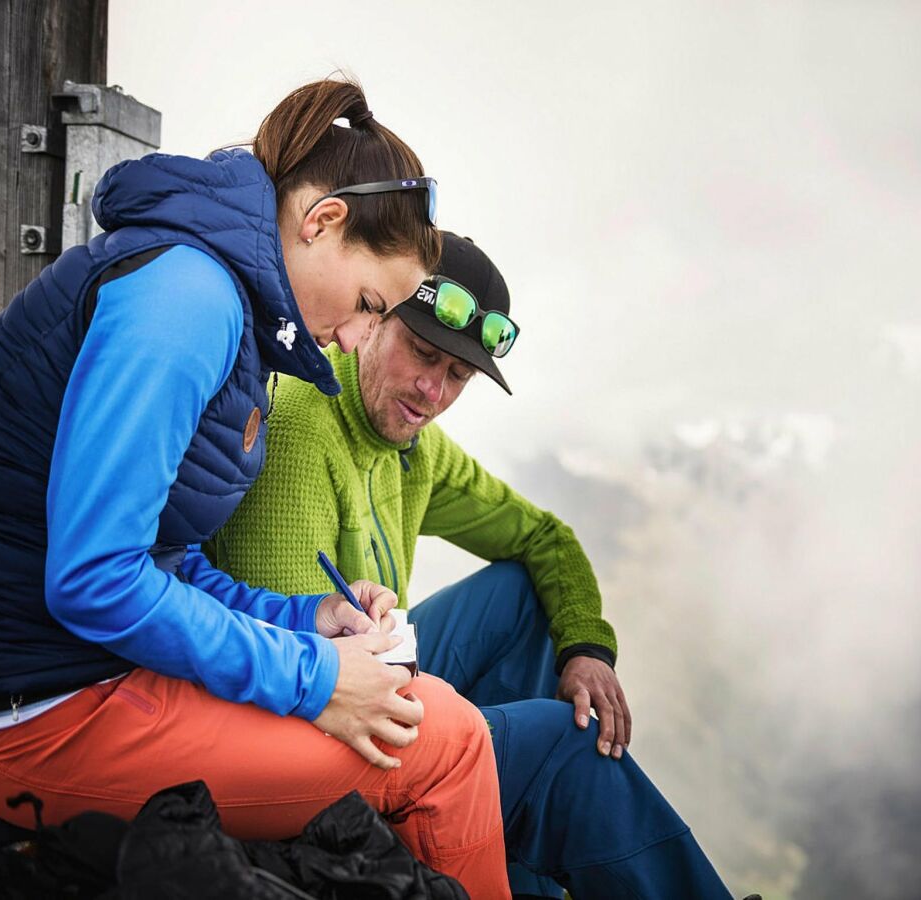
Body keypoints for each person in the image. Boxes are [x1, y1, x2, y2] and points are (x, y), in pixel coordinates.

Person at [0, 78, 511, 898]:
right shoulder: (187, 299)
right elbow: (93, 580)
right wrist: (314, 678)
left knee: (424, 714)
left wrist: (304, 619)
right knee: (446, 741)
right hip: (24, 716)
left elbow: (162, 559)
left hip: (74, 678)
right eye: (365, 304)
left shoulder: (225, 305)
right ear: (322, 222)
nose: (356, 339)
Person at [210, 233, 736, 899]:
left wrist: (585, 648)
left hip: (374, 675)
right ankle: (497, 833)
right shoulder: (304, 427)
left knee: (523, 593)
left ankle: (497, 847)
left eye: (459, 374)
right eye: (423, 352)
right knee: (563, 747)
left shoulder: (413, 448)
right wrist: (446, 734)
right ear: (375, 319)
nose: (433, 390)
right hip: (302, 731)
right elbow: (302, 680)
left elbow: (546, 539)